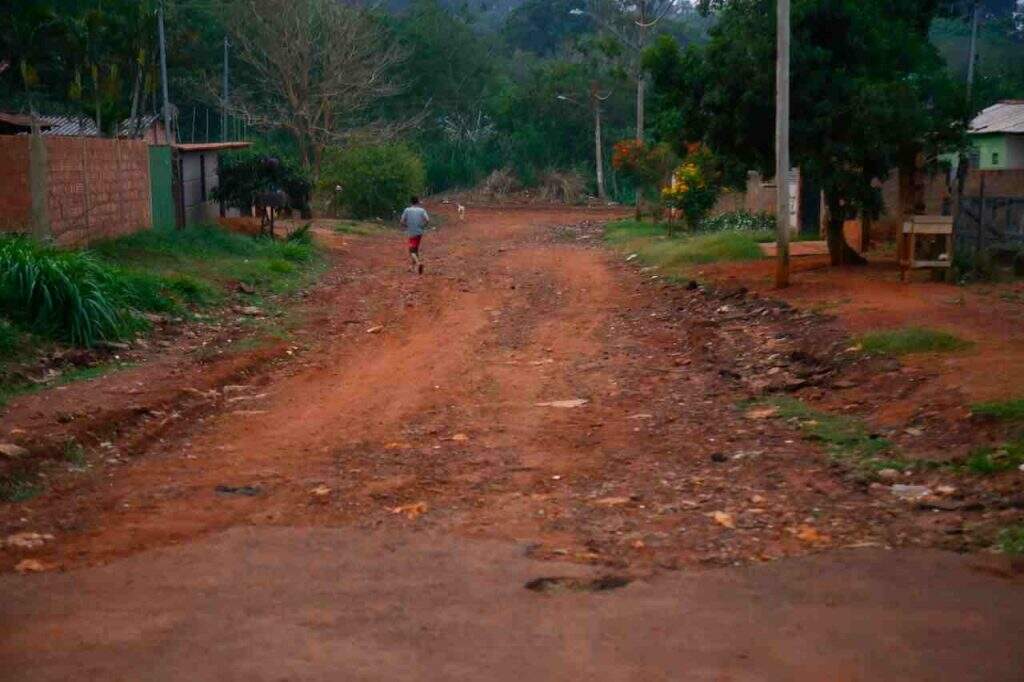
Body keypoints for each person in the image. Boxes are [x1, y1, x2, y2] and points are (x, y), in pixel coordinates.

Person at [400, 196, 430, 275]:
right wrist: (423, 226)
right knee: (415, 249)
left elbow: (402, 221)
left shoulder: (407, 210)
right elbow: (427, 220)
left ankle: (418, 263)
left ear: (411, 202)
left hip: (411, 232)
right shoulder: (422, 210)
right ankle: (412, 268)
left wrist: (407, 226)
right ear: (418, 202)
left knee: (411, 251)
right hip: (419, 232)